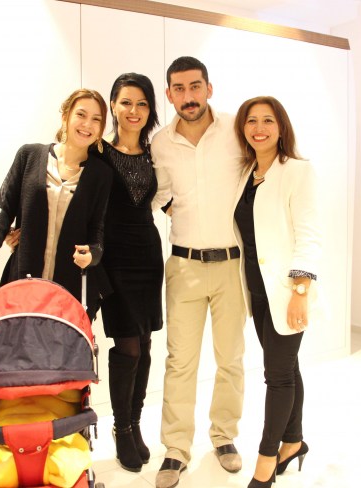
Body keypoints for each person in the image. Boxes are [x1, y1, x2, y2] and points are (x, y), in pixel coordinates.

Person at [151, 56, 246, 488]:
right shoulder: (160, 143)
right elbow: (158, 195)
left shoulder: (236, 129)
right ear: (169, 94)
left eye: (195, 86)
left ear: (209, 88)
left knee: (231, 359)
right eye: (179, 89)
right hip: (184, 265)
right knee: (180, 362)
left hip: (232, 265)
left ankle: (224, 436)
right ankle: (175, 448)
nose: (188, 97)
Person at [232, 96, 320, 488]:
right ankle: (294, 442)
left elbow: (309, 234)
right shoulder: (245, 173)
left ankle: (266, 461)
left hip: (286, 290)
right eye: (251, 121)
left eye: (268, 120)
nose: (259, 128)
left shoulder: (297, 171)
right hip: (256, 290)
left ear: (281, 127)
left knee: (278, 375)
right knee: (287, 367)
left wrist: (301, 289)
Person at [0, 89, 113, 321]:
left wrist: (92, 255)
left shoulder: (101, 174)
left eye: (96, 119)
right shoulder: (30, 155)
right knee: (20, 340)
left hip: (71, 287)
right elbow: (4, 206)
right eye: (81, 114)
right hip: (25, 278)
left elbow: (98, 229)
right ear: (65, 116)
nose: (87, 124)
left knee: (63, 343)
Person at [97, 73, 163, 472]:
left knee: (146, 343)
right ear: (113, 105)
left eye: (141, 103)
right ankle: (120, 427)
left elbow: (170, 197)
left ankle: (136, 423)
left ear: (150, 109)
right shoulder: (98, 151)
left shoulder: (156, 153)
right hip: (113, 260)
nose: (133, 110)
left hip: (148, 256)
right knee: (128, 348)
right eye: (125, 102)